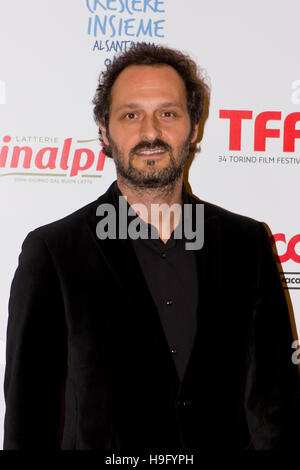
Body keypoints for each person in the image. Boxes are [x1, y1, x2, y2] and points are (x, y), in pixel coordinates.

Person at [3, 43, 300, 450]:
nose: (150, 132)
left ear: (194, 127)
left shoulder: (246, 244)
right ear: (104, 130)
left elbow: (277, 411)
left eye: (168, 113)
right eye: (131, 115)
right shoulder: (53, 252)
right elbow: (28, 419)